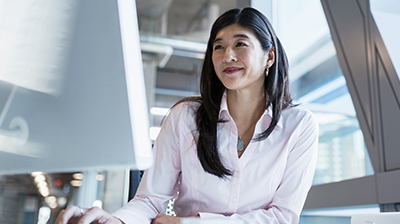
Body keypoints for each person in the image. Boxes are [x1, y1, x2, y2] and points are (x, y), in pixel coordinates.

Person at [56, 7, 318, 224]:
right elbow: (150, 200)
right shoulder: (186, 117)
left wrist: (192, 223)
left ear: (269, 56)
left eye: (240, 44)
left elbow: (282, 217)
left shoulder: (299, 125)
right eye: (218, 47)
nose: (227, 55)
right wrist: (115, 220)